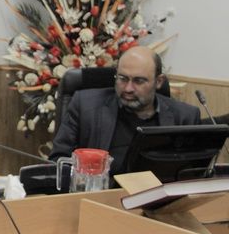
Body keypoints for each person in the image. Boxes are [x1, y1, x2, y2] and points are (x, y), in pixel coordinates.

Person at [50, 45, 201, 173]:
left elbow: (193, 173)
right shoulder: (85, 105)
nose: (128, 88)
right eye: (122, 79)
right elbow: (58, 160)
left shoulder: (185, 117)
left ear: (159, 81)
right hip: (102, 194)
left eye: (138, 81)